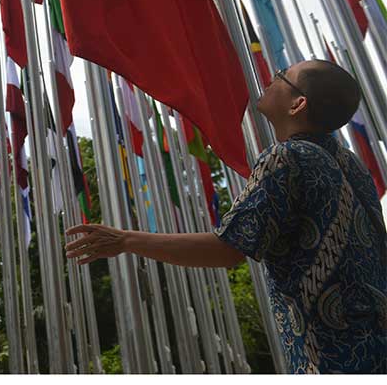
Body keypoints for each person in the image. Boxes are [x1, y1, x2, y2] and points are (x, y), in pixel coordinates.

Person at [66, 60, 387, 374]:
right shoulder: (353, 166)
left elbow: (228, 248)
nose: (271, 78)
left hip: (335, 359)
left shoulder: (288, 157)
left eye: (281, 76)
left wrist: (126, 240)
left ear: (297, 104)